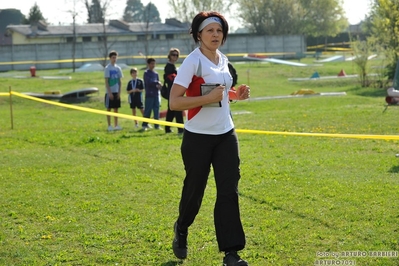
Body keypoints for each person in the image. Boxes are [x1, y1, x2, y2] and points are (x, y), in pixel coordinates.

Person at [169, 11, 250, 266]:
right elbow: (174, 102)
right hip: (198, 139)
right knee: (195, 192)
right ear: (198, 35)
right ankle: (181, 228)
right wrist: (209, 99)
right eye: (210, 31)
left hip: (226, 134)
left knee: (228, 191)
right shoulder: (193, 62)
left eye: (219, 31)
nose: (215, 35)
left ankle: (231, 253)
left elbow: (222, 95)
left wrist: (237, 95)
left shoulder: (222, 59)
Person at [164, 48, 184, 134]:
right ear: (170, 56)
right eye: (173, 55)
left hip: (174, 90)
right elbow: (170, 78)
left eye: (177, 55)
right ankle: (181, 128)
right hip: (172, 91)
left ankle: (167, 128)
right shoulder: (168, 66)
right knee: (178, 108)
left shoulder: (173, 66)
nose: (175, 56)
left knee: (171, 110)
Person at [104, 50, 123, 131]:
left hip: (116, 90)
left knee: (116, 109)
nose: (114, 59)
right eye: (113, 57)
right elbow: (106, 82)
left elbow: (120, 81)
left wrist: (119, 92)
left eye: (115, 57)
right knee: (109, 109)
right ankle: (109, 125)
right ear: (110, 58)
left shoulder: (118, 68)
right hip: (110, 92)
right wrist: (109, 92)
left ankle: (116, 125)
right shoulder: (107, 68)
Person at [142, 58, 162, 131]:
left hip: (156, 94)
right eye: (151, 63)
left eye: (154, 63)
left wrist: (159, 86)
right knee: (148, 110)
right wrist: (157, 83)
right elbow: (149, 83)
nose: (153, 65)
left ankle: (157, 125)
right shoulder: (146, 73)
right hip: (149, 95)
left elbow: (158, 82)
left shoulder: (156, 74)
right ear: (148, 64)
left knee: (156, 110)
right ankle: (145, 124)